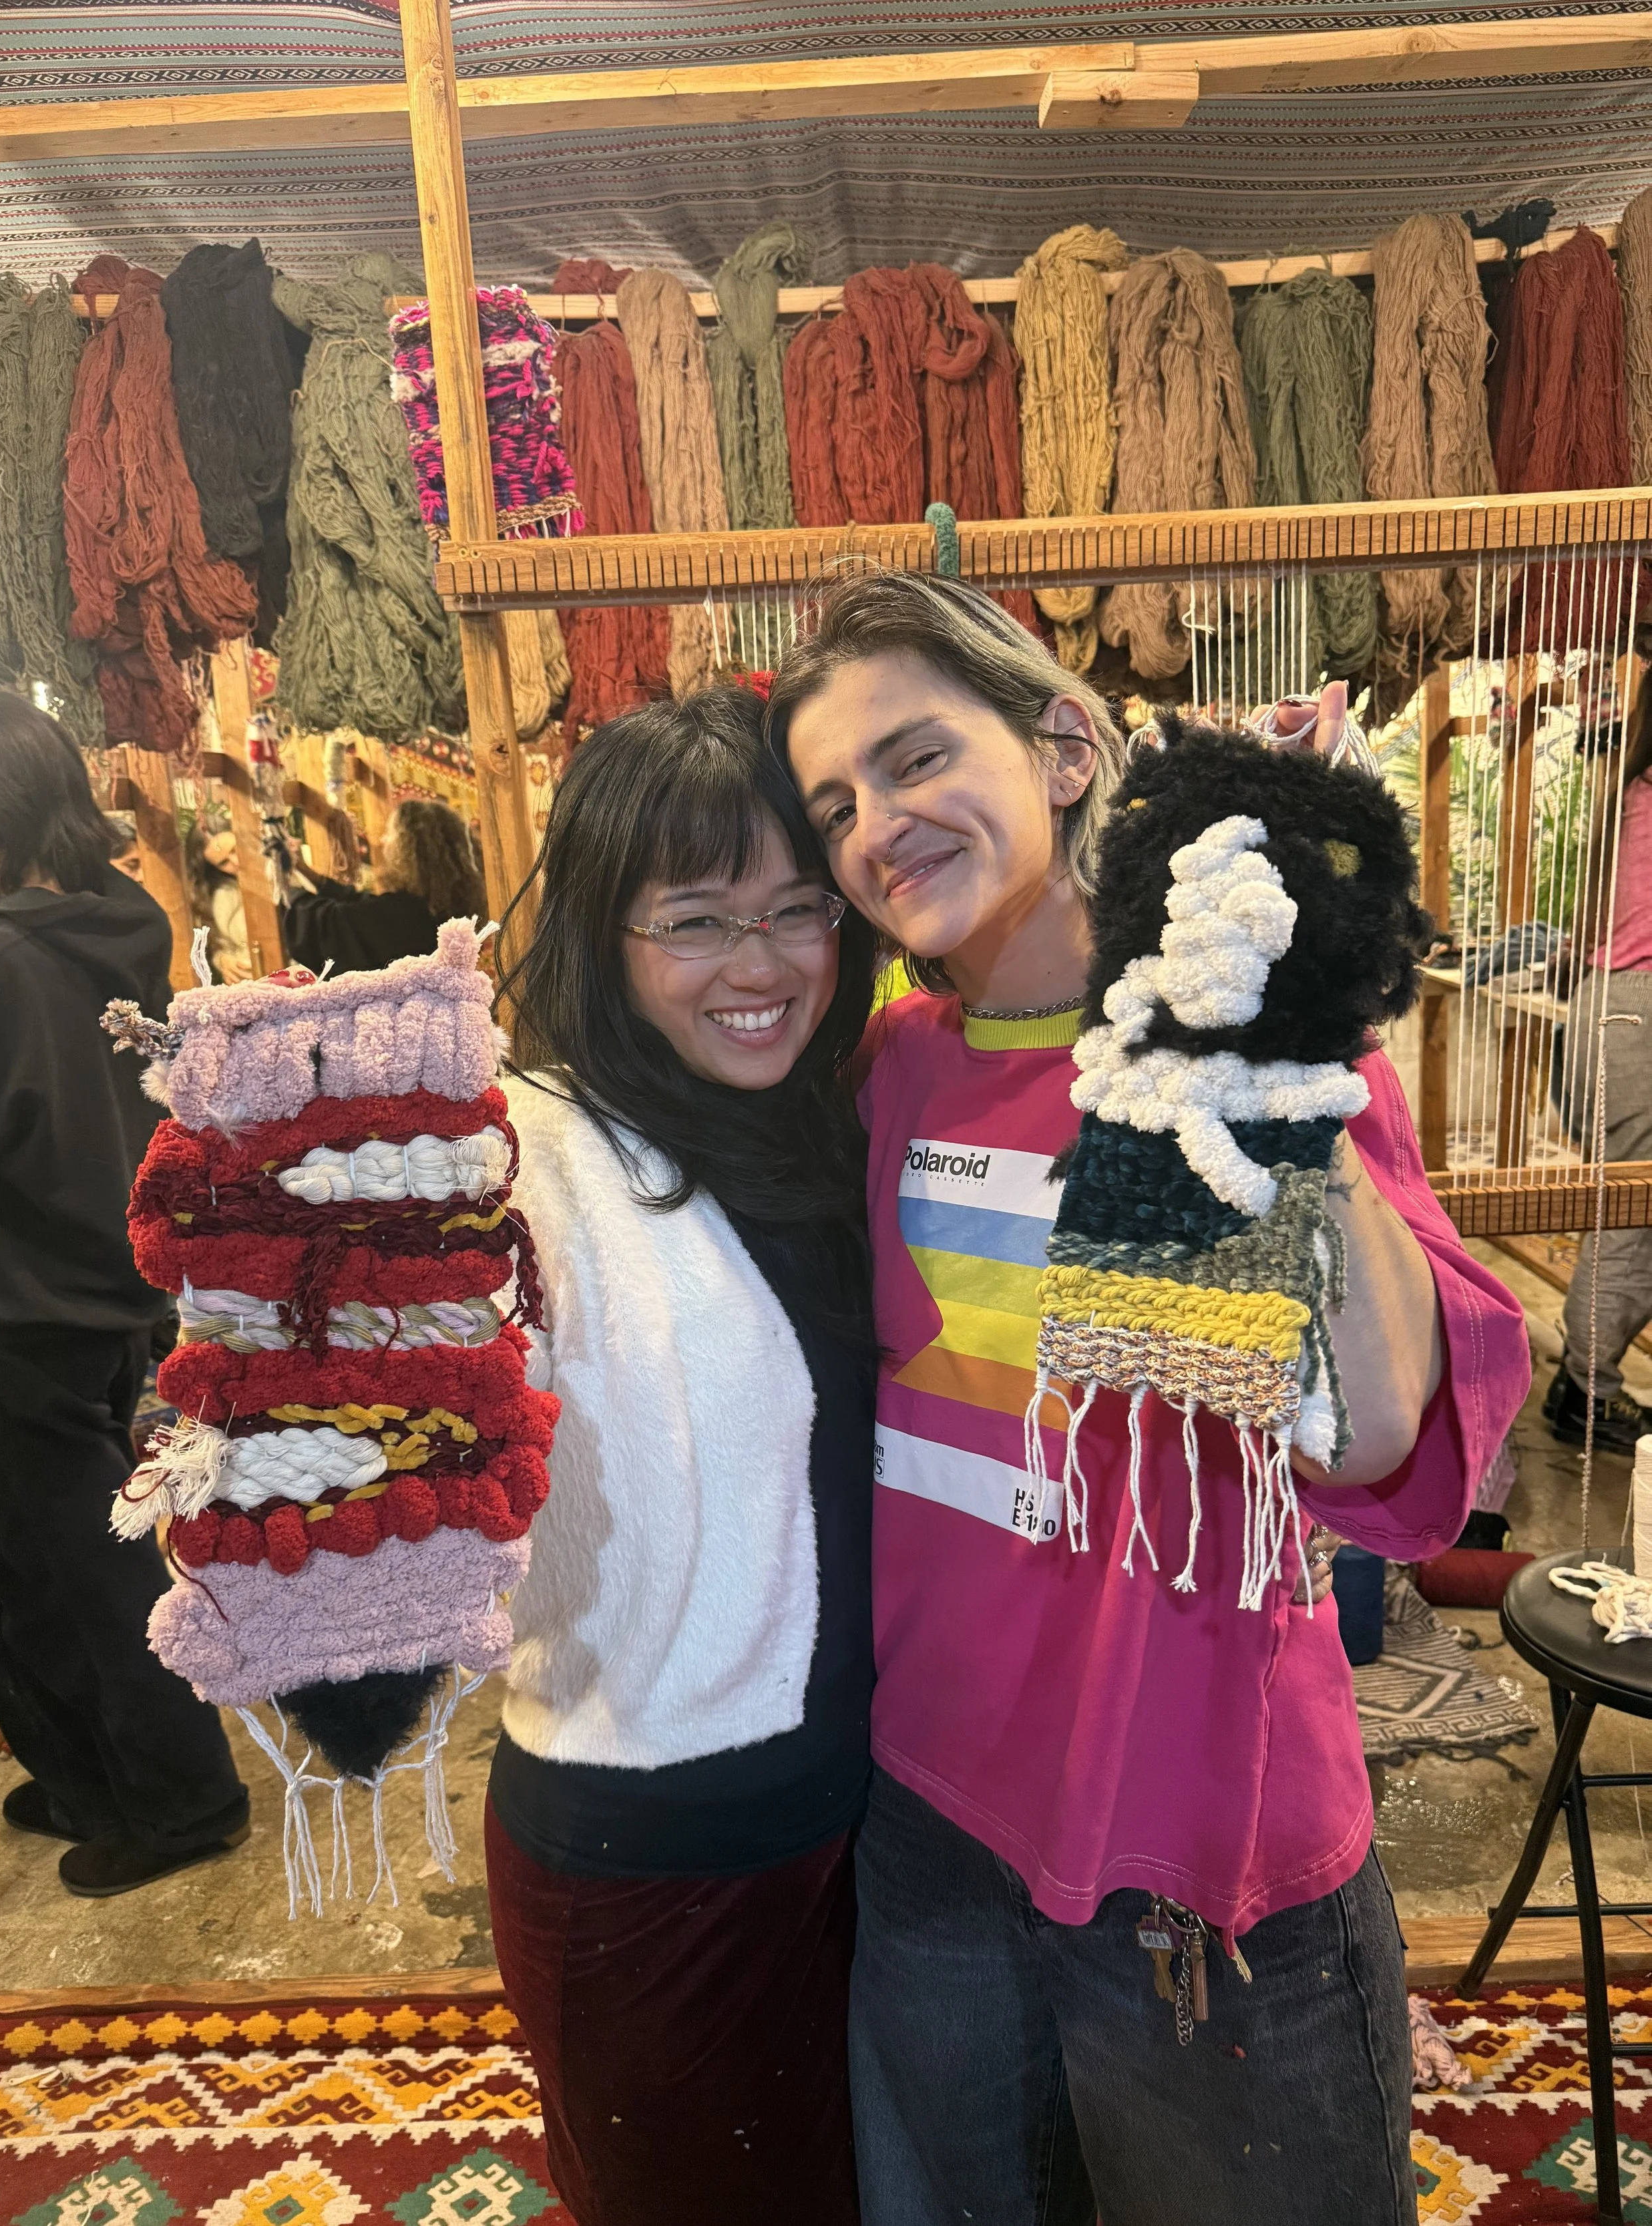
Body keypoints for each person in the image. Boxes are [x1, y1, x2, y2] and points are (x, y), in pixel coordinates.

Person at [768, 574, 1530, 2226]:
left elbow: (1390, 1446)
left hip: (1204, 1872)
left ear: (1060, 744)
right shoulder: (892, 1073)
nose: (876, 827)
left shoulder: (1232, 1049)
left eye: (913, 759)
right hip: (933, 1839)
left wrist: (1279, 1051)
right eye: (835, 804)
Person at [485, 687, 877, 2226]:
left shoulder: (827, 1122)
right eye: (699, 921)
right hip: (650, 1866)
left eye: (799, 912)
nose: (765, 967)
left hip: (850, 1824)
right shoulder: (519, 1159)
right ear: (602, 931)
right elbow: (402, 1369)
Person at [0, 691, 249, 1896]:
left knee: (63, 1572)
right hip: (106, 1283)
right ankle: (99, 1775)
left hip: (16, 1303)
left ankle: (181, 1797)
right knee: (68, 1555)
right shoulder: (124, 918)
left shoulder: (2, 959)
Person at [1544, 686, 1652, 1454]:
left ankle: (1583, 1382)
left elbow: (1588, 922)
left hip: (1600, 999)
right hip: (1635, 1010)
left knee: (1624, 1208)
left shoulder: (1631, 792)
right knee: (1630, 1216)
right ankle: (1587, 1393)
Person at [284, 796, 485, 974]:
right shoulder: (437, 907)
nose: (383, 840)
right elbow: (363, 904)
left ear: (409, 848)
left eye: (390, 834)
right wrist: (305, 871)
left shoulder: (402, 915)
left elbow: (335, 923)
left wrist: (284, 886)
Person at [182, 823, 254, 983]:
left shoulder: (280, 871)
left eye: (236, 849)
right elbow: (220, 946)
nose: (236, 862)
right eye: (224, 862)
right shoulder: (224, 896)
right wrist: (223, 960)